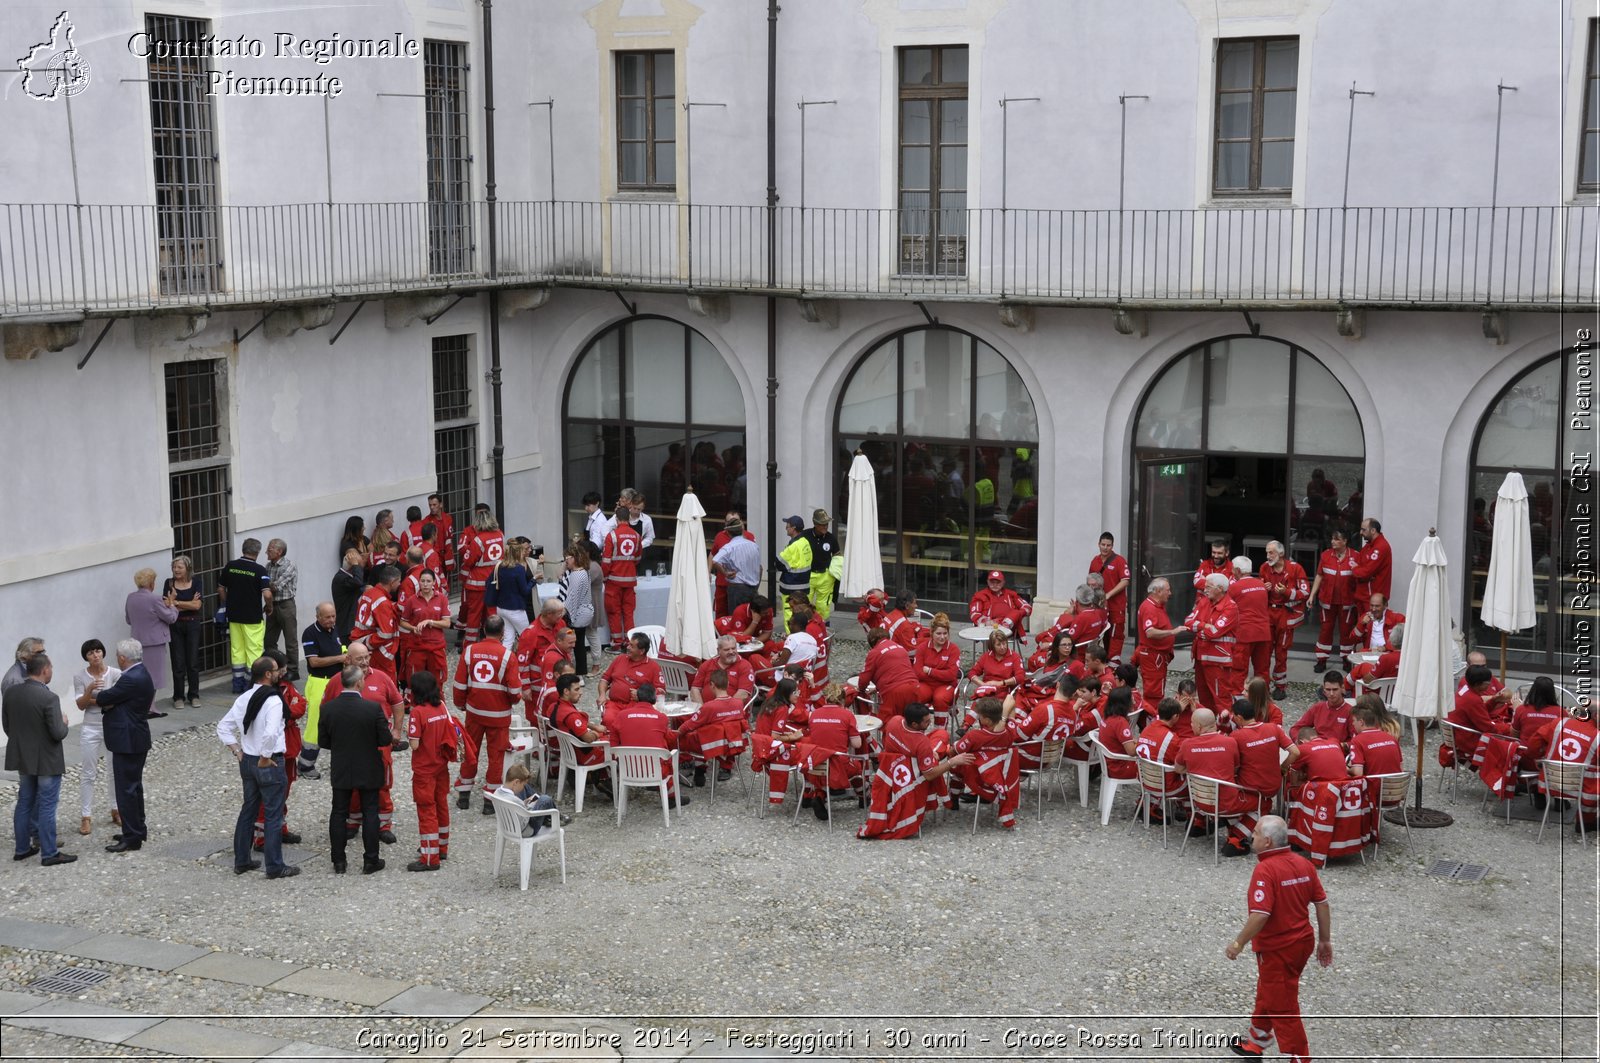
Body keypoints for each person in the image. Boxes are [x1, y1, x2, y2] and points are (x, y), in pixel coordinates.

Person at [1224, 815, 1332, 1061]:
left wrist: (1238, 943)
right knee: (1271, 991)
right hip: (1303, 943)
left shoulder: (1266, 869)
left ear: (1268, 842)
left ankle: (1299, 1057)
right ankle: (1256, 1042)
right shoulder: (1303, 864)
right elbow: (1322, 903)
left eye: (1257, 833)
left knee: (1283, 1005)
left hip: (1277, 949)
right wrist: (1325, 940)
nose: (1252, 836)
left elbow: (1261, 914)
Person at [217, 657, 298, 879]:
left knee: (248, 810)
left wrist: (237, 750)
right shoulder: (273, 700)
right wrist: (265, 756)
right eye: (275, 670)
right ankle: (274, 865)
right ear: (268, 675)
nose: (280, 672)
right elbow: (271, 732)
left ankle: (242, 860)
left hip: (248, 760)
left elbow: (223, 727)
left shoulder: (243, 698)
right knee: (272, 814)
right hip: (268, 761)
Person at [857, 703, 973, 840]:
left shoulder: (894, 721)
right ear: (914, 724)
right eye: (926, 721)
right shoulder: (921, 742)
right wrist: (952, 762)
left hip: (890, 765)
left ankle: (937, 752)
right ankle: (941, 753)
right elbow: (929, 775)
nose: (929, 722)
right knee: (941, 737)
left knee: (939, 734)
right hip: (913, 772)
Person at [3, 653, 75, 865]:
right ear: (44, 670)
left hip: (24, 758)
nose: (52, 671)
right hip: (46, 760)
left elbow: (7, 726)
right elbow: (58, 732)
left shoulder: (11, 693)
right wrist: (64, 721)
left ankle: (22, 848)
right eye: (51, 668)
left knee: (24, 802)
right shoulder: (49, 698)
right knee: (46, 805)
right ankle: (49, 853)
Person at [320, 663, 392, 874]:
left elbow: (324, 741)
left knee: (338, 812)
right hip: (369, 766)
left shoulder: (328, 708)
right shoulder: (372, 708)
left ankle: (339, 861)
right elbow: (385, 738)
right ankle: (371, 860)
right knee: (371, 812)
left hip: (342, 766)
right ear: (360, 682)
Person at [453, 615, 524, 815]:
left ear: (484, 630)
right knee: (496, 757)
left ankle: (464, 795)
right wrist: (511, 701)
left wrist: (460, 704)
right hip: (499, 716)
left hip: (474, 713)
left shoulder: (469, 652)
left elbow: (459, 684)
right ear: (503, 634)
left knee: (470, 751)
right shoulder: (508, 656)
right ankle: (489, 801)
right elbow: (515, 692)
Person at [1174, 708, 1261, 857]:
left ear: (1200, 727)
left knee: (1231, 798)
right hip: (1225, 803)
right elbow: (1235, 767)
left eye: (1192, 724)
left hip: (1200, 802)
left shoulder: (1187, 744)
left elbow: (1178, 768)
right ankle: (1236, 837)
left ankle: (1207, 824)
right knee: (1261, 802)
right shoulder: (1230, 742)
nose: (1191, 726)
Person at [405, 671, 458, 870]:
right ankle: (441, 848)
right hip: (441, 767)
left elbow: (415, 745)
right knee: (441, 805)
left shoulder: (418, 712)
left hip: (424, 771)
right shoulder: (442, 707)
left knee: (426, 811)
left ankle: (429, 858)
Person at [71, 640, 121, 837]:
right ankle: (86, 815)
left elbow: (118, 698)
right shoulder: (80, 677)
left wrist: (97, 701)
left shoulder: (115, 674)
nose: (95, 655)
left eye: (98, 651)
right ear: (86, 656)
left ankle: (116, 809)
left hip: (111, 725)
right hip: (90, 727)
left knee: (114, 770)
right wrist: (91, 690)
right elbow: (81, 705)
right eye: (91, 653)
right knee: (88, 772)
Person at [297, 602, 348, 780]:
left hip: (337, 681)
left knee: (340, 722)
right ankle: (305, 764)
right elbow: (314, 662)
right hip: (319, 682)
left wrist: (347, 654)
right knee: (315, 724)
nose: (331, 620)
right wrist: (341, 658)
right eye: (327, 617)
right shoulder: (310, 633)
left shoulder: (333, 629)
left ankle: (340, 763)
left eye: (333, 616)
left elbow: (340, 647)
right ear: (318, 617)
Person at [676, 670, 750, 787]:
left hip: (713, 745)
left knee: (683, 738)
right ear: (728, 683)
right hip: (731, 745)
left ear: (712, 685)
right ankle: (700, 770)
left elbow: (689, 725)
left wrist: (674, 734)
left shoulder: (709, 707)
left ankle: (695, 768)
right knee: (705, 732)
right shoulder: (739, 704)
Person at [219, 539, 273, 694]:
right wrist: (269, 606)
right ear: (257, 552)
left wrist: (227, 604)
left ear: (243, 550)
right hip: (252, 617)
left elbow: (221, 588)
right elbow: (267, 593)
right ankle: (252, 685)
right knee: (254, 651)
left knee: (237, 650)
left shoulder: (230, 566)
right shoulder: (259, 570)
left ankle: (237, 684)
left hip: (234, 616)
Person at [1259, 540, 1309, 699]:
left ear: (1281, 553)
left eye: (1271, 552)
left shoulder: (1295, 568)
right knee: (1264, 650)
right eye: (1267, 552)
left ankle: (1280, 686)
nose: (1268, 556)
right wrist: (1263, 589)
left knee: (1281, 651)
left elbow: (1305, 593)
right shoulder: (1264, 568)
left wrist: (1286, 592)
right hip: (1268, 613)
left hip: (1286, 615)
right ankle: (1263, 685)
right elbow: (1260, 590)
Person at [1184, 573, 1238, 712]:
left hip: (1218, 661)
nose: (1205, 589)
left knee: (1221, 698)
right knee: (1204, 697)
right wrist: (1204, 626)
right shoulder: (1204, 602)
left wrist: (1201, 629)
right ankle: (1209, 728)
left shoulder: (1230, 607)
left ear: (1220, 588)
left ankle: (1226, 730)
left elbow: (1214, 632)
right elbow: (1188, 623)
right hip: (1201, 658)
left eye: (1209, 586)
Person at [125, 567, 179, 701]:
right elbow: (171, 618)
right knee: (153, 677)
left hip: (137, 642)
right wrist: (172, 604)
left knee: (141, 675)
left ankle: (148, 706)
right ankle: (149, 706)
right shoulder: (155, 599)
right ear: (151, 583)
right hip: (154, 642)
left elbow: (128, 619)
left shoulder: (131, 597)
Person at [1309, 529, 1357, 673]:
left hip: (1347, 602)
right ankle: (1321, 660)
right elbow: (1319, 576)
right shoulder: (1325, 555)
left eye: (1336, 539)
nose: (1332, 542)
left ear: (1345, 541)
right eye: (1332, 538)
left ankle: (1347, 660)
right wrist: (1312, 595)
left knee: (1346, 632)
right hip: (1327, 602)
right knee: (1325, 631)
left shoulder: (1355, 556)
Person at [458, 507, 506, 643]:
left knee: (474, 616)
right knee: (492, 614)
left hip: (477, 585)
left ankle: (469, 645)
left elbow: (468, 560)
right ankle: (495, 641)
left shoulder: (479, 540)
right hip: (495, 581)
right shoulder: (500, 535)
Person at [162, 556, 204, 708]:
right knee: (178, 662)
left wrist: (177, 602)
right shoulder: (169, 583)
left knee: (192, 661)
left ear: (187, 568)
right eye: (174, 567)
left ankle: (194, 695)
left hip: (193, 624)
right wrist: (188, 603)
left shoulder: (196, 582)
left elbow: (197, 606)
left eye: (179, 567)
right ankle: (178, 697)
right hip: (175, 625)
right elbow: (166, 605)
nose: (176, 570)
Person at [399, 570, 451, 687]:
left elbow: (447, 623)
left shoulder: (442, 598)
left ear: (433, 583)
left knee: (437, 682)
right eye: (422, 581)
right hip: (417, 645)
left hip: (436, 646)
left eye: (428, 581)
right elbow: (403, 622)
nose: (425, 584)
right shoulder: (412, 600)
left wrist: (430, 622)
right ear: (419, 583)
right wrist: (413, 628)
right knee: (415, 681)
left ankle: (437, 704)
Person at [601, 506, 643, 651]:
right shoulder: (637, 536)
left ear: (617, 519)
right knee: (628, 612)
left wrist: (605, 578)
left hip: (613, 581)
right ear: (629, 518)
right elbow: (637, 558)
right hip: (630, 581)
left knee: (614, 612)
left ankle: (617, 643)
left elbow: (606, 562)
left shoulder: (611, 536)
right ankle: (631, 643)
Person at [1228, 557, 1271, 695]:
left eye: (1233, 569)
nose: (1232, 571)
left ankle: (1238, 697)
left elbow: (1228, 609)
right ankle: (1262, 697)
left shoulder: (1234, 588)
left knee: (1239, 669)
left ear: (1238, 570)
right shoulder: (1261, 585)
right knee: (1262, 669)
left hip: (1244, 633)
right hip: (1263, 632)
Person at [858, 627, 920, 722]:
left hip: (894, 692)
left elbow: (864, 679)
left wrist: (861, 690)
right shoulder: (900, 647)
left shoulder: (874, 652)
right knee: (912, 724)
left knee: (889, 724)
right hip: (914, 687)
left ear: (872, 643)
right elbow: (897, 670)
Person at [912, 614, 963, 727]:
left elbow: (951, 675)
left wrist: (930, 671)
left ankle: (939, 733)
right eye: (938, 633)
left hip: (947, 686)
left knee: (940, 698)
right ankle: (916, 731)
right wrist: (941, 673)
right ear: (931, 633)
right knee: (914, 695)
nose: (942, 637)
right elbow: (917, 673)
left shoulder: (953, 649)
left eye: (945, 633)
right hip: (926, 684)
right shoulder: (922, 648)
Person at [1089, 533, 1131, 661]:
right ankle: (1104, 662)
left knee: (1116, 635)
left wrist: (1108, 594)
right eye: (1103, 544)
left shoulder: (1119, 560)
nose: (1105, 548)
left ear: (1112, 546)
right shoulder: (1095, 561)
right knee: (1102, 634)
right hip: (1100, 606)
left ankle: (1113, 664)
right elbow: (1090, 580)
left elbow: (1125, 581)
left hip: (1116, 606)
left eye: (1108, 545)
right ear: (1099, 544)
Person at [485, 539, 537, 646]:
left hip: (501, 608)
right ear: (517, 553)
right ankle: (524, 661)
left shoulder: (499, 566)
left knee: (508, 638)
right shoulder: (519, 569)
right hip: (516, 609)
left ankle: (504, 661)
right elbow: (525, 591)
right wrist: (533, 579)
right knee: (527, 637)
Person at [263, 539, 301, 681]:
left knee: (290, 640)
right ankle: (274, 666)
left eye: (270, 549)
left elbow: (276, 586)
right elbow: (267, 585)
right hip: (272, 604)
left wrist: (264, 585)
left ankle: (293, 670)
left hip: (286, 605)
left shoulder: (289, 565)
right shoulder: (268, 566)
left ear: (279, 552)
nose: (267, 551)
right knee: (269, 640)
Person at [711, 516, 762, 617]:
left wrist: (725, 572)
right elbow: (760, 568)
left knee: (738, 619)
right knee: (751, 617)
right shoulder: (754, 546)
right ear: (742, 530)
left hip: (738, 589)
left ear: (729, 533)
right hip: (753, 587)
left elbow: (715, 561)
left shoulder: (729, 547)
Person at [499, 763, 566, 837]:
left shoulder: (497, 792)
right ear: (516, 782)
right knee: (545, 799)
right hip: (526, 830)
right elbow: (524, 821)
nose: (523, 787)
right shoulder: (515, 801)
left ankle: (547, 816)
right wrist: (532, 805)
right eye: (522, 784)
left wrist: (524, 803)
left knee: (528, 790)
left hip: (509, 825)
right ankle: (555, 818)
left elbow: (518, 809)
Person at [558, 544, 595, 676]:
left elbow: (571, 599)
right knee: (579, 645)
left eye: (566, 558)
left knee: (574, 645)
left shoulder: (576, 575)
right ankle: (581, 673)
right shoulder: (584, 571)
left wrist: (561, 614)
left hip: (578, 615)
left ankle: (577, 673)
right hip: (585, 612)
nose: (565, 561)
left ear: (573, 558)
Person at [690, 636, 756, 705]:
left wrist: (723, 710)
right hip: (706, 711)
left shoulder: (745, 665)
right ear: (718, 650)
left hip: (733, 712)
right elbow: (695, 689)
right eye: (727, 649)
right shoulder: (707, 665)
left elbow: (743, 694)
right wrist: (702, 710)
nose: (731, 652)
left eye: (733, 648)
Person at [775, 515, 814, 632]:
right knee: (802, 613)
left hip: (790, 586)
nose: (786, 528)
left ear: (794, 528)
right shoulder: (805, 542)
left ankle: (790, 637)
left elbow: (778, 563)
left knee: (790, 613)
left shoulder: (794, 546)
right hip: (804, 585)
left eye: (788, 525)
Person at [1292, 674, 1355, 745]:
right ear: (1324, 689)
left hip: (1337, 751)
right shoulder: (1317, 707)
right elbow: (1295, 729)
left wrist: (1343, 746)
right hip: (1316, 748)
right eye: (1328, 689)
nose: (1331, 693)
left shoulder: (1351, 711)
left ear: (1342, 688)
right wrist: (1300, 741)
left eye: (1335, 689)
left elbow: (1357, 739)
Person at [968, 570, 1032, 636]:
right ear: (987, 582)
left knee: (1016, 612)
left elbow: (1027, 607)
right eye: (992, 582)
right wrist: (986, 621)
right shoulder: (980, 595)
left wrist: (1017, 615)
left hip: (1009, 629)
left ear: (1003, 582)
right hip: (988, 629)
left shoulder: (1011, 594)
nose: (995, 585)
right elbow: (974, 613)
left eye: (998, 582)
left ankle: (1005, 624)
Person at [803, 508, 840, 622]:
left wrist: (834, 573)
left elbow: (837, 555)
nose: (825, 526)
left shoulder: (831, 538)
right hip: (808, 575)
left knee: (823, 606)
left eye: (826, 524)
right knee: (804, 603)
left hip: (825, 576)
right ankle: (805, 628)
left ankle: (823, 630)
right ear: (815, 523)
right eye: (822, 524)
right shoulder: (805, 535)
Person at [1352, 516, 1393, 612]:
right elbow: (1358, 563)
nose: (1360, 533)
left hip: (1373, 598)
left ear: (1373, 530)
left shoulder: (1381, 547)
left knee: (1372, 625)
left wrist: (1355, 569)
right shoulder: (1368, 545)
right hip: (1363, 595)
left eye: (1363, 530)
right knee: (1362, 625)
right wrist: (1360, 569)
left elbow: (1366, 571)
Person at [425, 494, 457, 576]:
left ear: (441, 504)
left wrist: (452, 557)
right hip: (436, 556)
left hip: (447, 555)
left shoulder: (448, 518)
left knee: (447, 581)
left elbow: (450, 538)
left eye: (434, 504)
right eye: (430, 505)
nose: (431, 507)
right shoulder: (427, 521)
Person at [581, 491, 610, 556]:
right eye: (585, 505)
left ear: (597, 504)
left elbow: (597, 542)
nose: (586, 508)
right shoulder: (592, 517)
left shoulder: (600, 520)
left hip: (594, 554)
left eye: (588, 505)